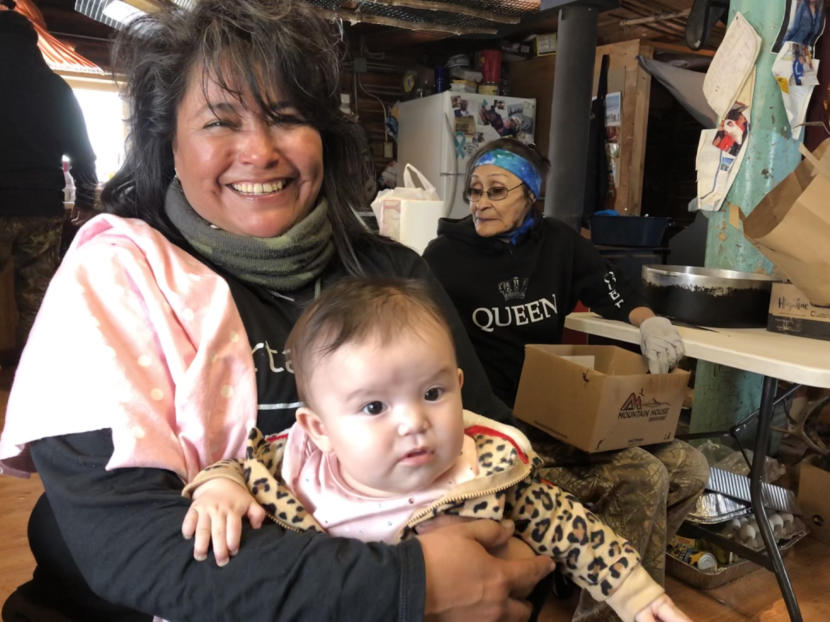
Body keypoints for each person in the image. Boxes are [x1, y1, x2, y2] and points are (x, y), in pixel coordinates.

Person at [0, 2, 555, 621]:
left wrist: (507, 566)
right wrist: (412, 584)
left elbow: (496, 452)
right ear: (169, 143)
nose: (260, 151)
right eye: (219, 122)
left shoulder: (394, 277)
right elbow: (134, 546)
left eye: (287, 118)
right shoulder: (113, 279)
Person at [181, 277, 693, 622]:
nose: (414, 423)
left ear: (459, 387)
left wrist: (635, 593)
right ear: (318, 430)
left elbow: (574, 530)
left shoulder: (487, 471)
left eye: (432, 393)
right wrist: (220, 486)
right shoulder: (294, 468)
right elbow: (242, 466)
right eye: (374, 407)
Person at [423, 138, 709, 622]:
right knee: (643, 475)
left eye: (497, 190)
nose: (480, 202)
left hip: (558, 415)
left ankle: (592, 582)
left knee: (691, 469)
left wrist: (648, 321)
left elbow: (608, 286)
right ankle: (612, 607)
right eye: (475, 190)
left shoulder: (558, 243)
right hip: (498, 427)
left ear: (530, 196)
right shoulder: (443, 257)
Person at [0, 0, 97, 363]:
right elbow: (82, 150)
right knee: (37, 298)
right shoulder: (55, 87)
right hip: (42, 207)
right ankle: (31, 373)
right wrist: (86, 199)